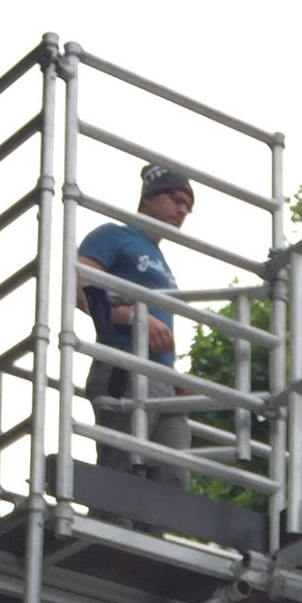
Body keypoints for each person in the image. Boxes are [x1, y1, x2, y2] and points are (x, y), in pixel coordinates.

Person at [76, 162, 199, 490]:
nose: (182, 210)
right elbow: (80, 291)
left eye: (188, 206)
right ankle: (107, 524)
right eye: (175, 199)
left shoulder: (161, 260)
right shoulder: (112, 236)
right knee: (122, 470)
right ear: (148, 199)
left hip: (161, 377)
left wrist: (174, 378)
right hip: (124, 364)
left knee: (173, 480)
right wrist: (133, 316)